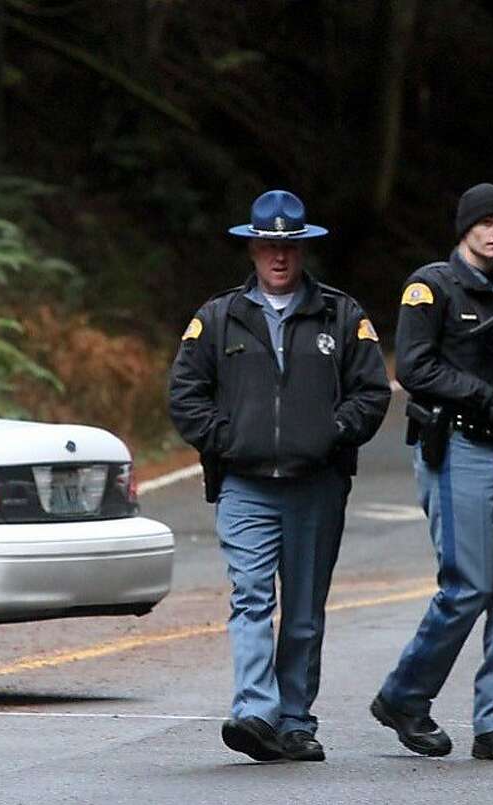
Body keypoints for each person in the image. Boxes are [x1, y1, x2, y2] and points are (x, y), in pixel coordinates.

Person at [169, 189, 391, 762]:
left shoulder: (341, 315)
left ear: (304, 251)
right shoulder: (218, 317)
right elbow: (185, 394)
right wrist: (228, 440)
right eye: (268, 245)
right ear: (252, 248)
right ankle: (255, 712)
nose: (279, 257)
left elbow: (372, 392)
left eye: (289, 246)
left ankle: (295, 721)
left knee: (304, 612)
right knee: (250, 599)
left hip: (316, 485)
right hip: (244, 485)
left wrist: (332, 432)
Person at [370, 183, 493, 762]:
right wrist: (484, 396)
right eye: (487, 221)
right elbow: (416, 367)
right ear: (465, 226)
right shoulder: (432, 287)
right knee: (468, 585)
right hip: (456, 449)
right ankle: (405, 695)